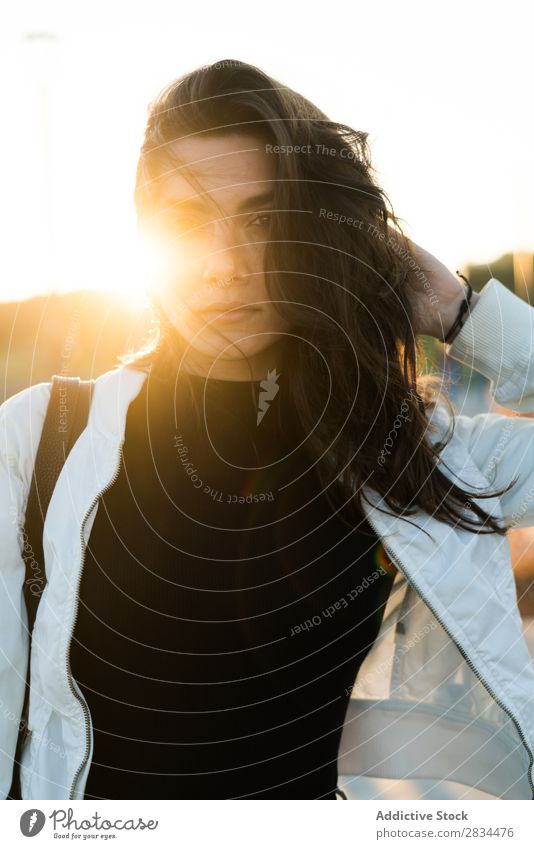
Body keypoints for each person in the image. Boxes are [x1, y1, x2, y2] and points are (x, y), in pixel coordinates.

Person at [1, 59, 534, 801]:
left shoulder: (407, 451)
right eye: (188, 223)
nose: (225, 265)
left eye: (261, 219)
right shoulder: (39, 439)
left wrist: (459, 311)